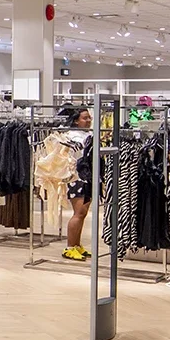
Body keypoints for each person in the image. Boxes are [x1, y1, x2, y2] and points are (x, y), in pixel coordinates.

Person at [61, 108, 95, 261]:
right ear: (76, 120)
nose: (88, 120)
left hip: (88, 177)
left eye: (89, 117)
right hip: (76, 178)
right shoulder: (70, 136)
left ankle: (76, 245)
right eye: (85, 118)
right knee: (79, 212)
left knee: (83, 213)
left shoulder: (89, 134)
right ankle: (69, 247)